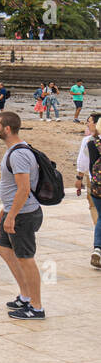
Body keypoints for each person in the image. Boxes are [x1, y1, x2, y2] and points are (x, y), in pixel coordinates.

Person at [0, 112, 45, 320]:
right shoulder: (14, 150)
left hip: (23, 214)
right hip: (14, 211)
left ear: (7, 129)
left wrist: (12, 214)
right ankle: (25, 296)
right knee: (4, 249)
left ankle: (37, 307)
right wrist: (6, 209)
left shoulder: (19, 154)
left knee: (25, 258)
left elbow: (23, 189)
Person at [76, 113, 101, 266]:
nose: (87, 124)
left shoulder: (90, 142)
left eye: (89, 122)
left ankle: (98, 248)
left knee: (99, 215)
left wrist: (79, 178)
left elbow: (85, 163)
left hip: (96, 184)